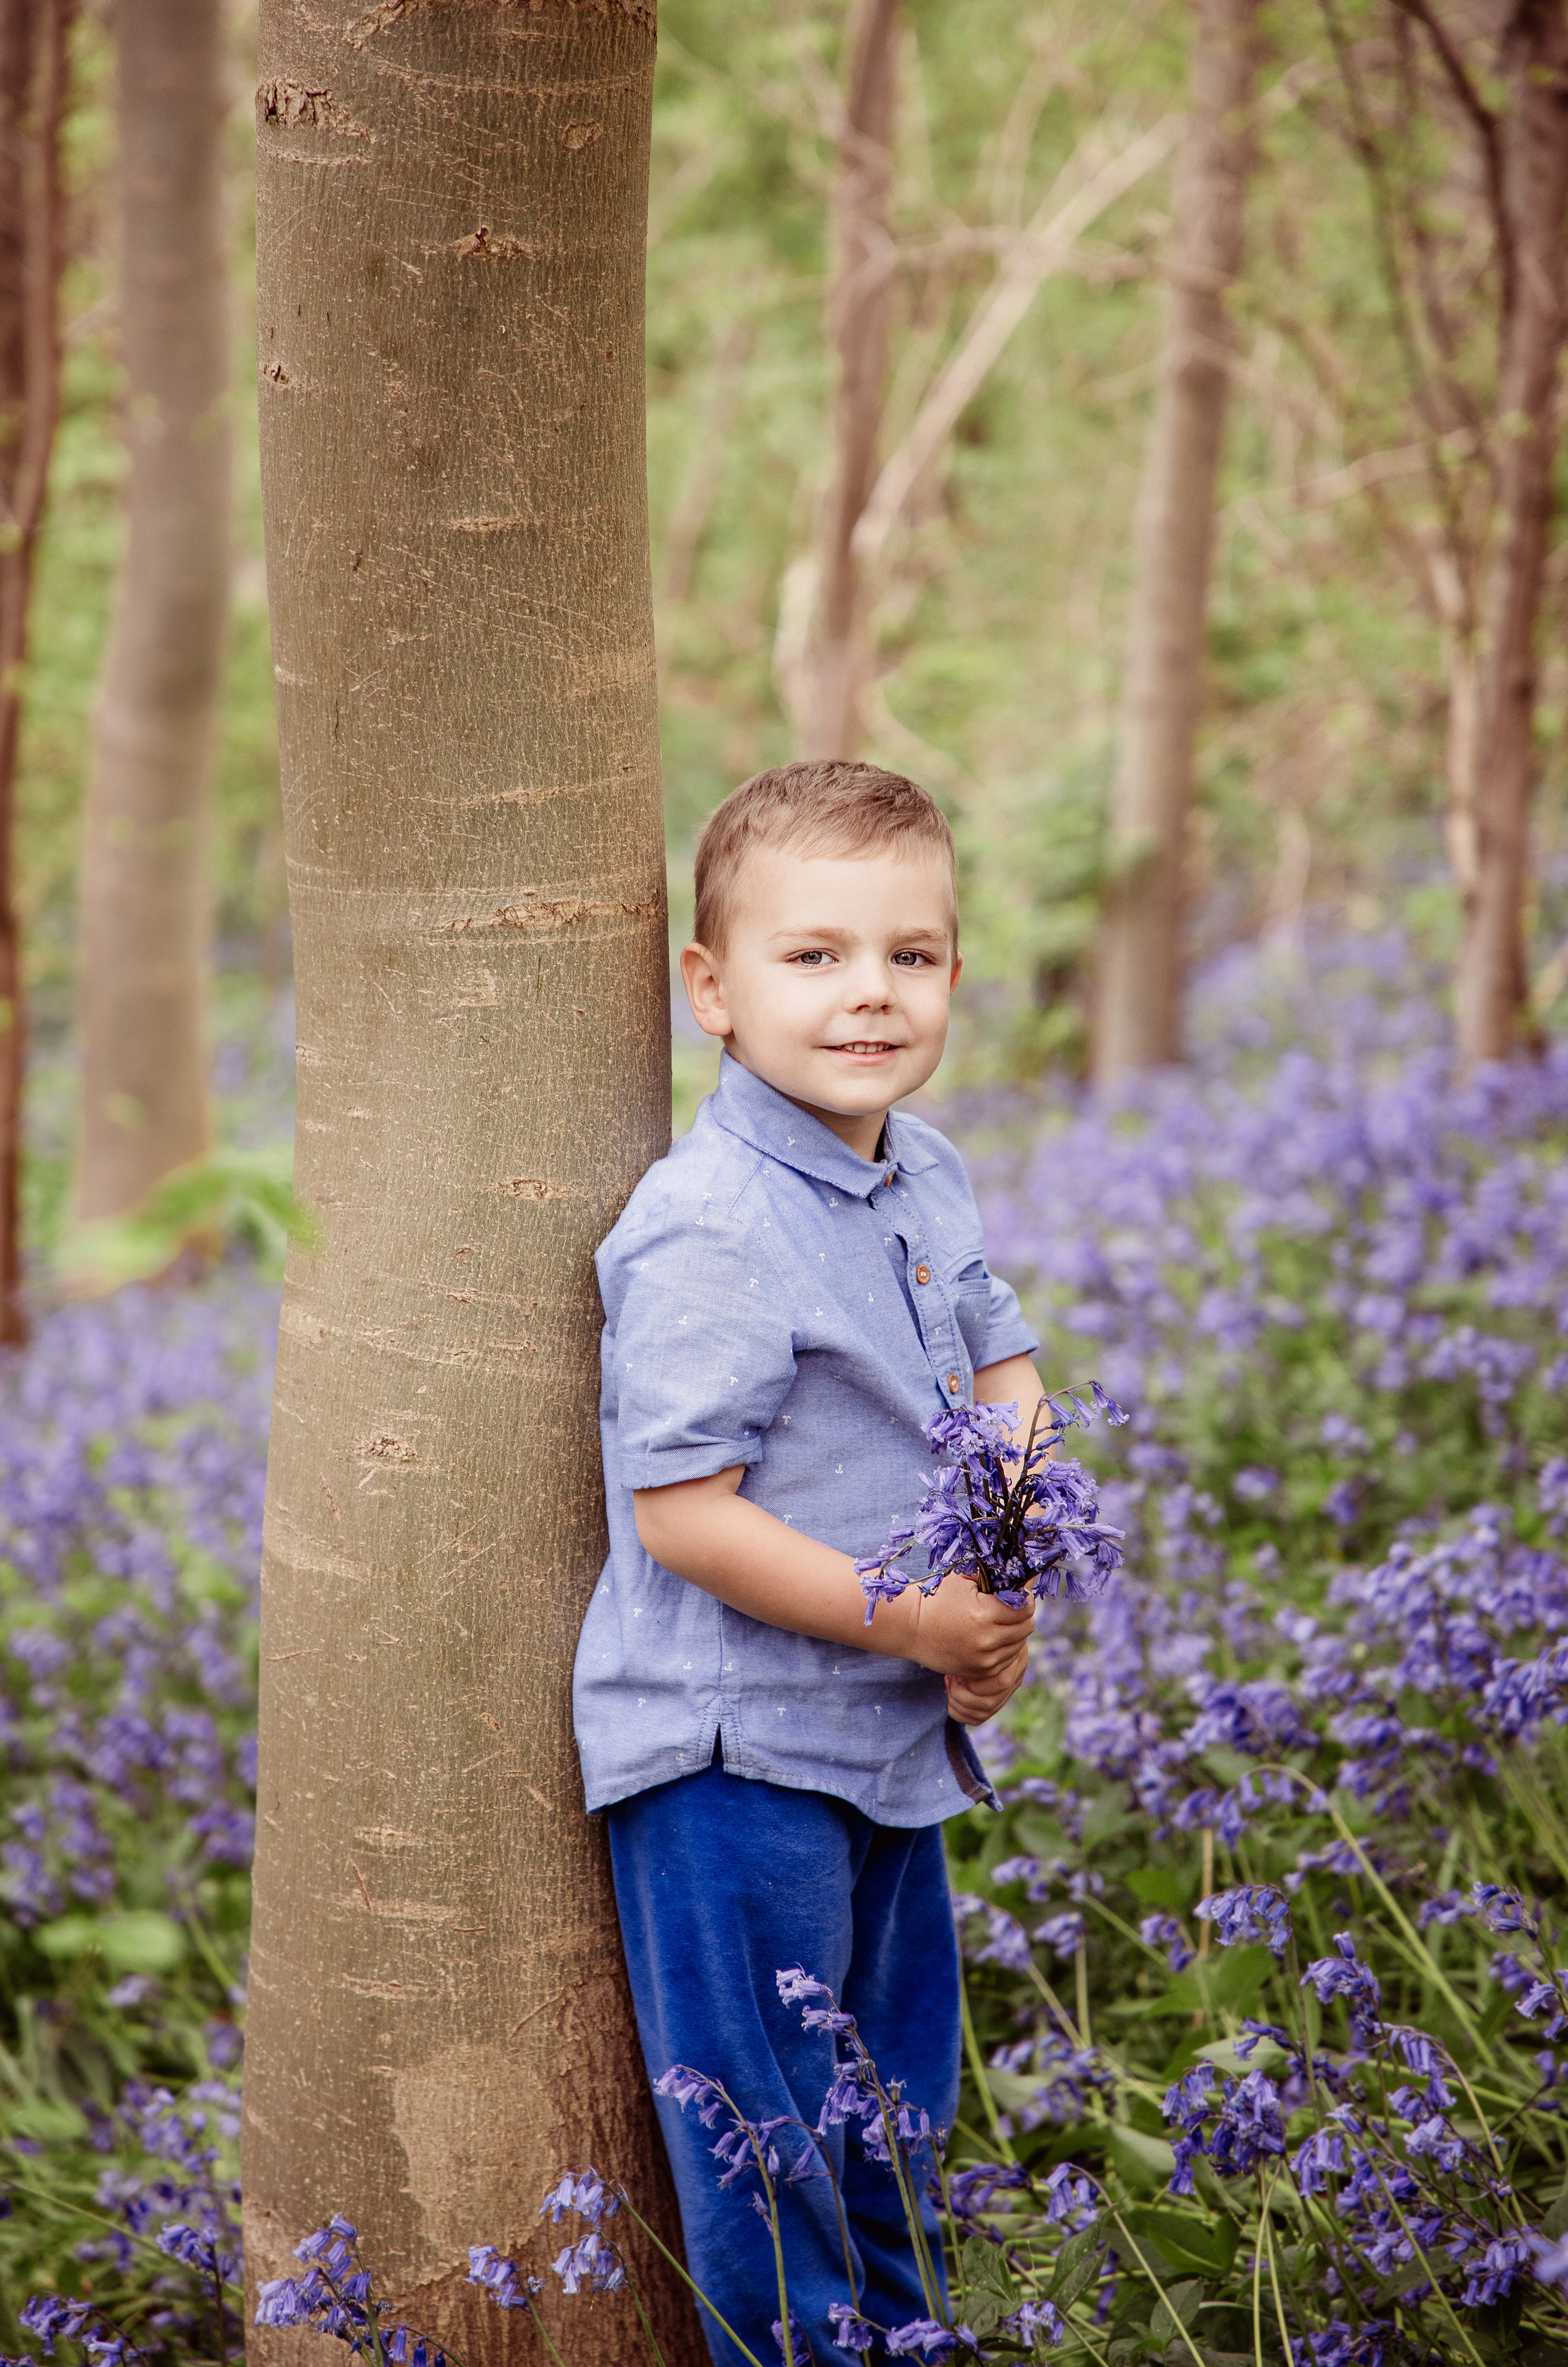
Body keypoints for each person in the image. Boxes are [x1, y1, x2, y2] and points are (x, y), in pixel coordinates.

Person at [572, 759, 1045, 2366]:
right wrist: (921, 1622)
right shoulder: (706, 1223)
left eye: (909, 957)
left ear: (953, 976)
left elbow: (1003, 1375)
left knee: (895, 2114)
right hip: (734, 1756)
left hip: (888, 1734)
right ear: (710, 988)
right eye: (814, 955)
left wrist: (1007, 1570)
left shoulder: (923, 1168)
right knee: (767, 2149)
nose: (869, 995)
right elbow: (683, 1514)